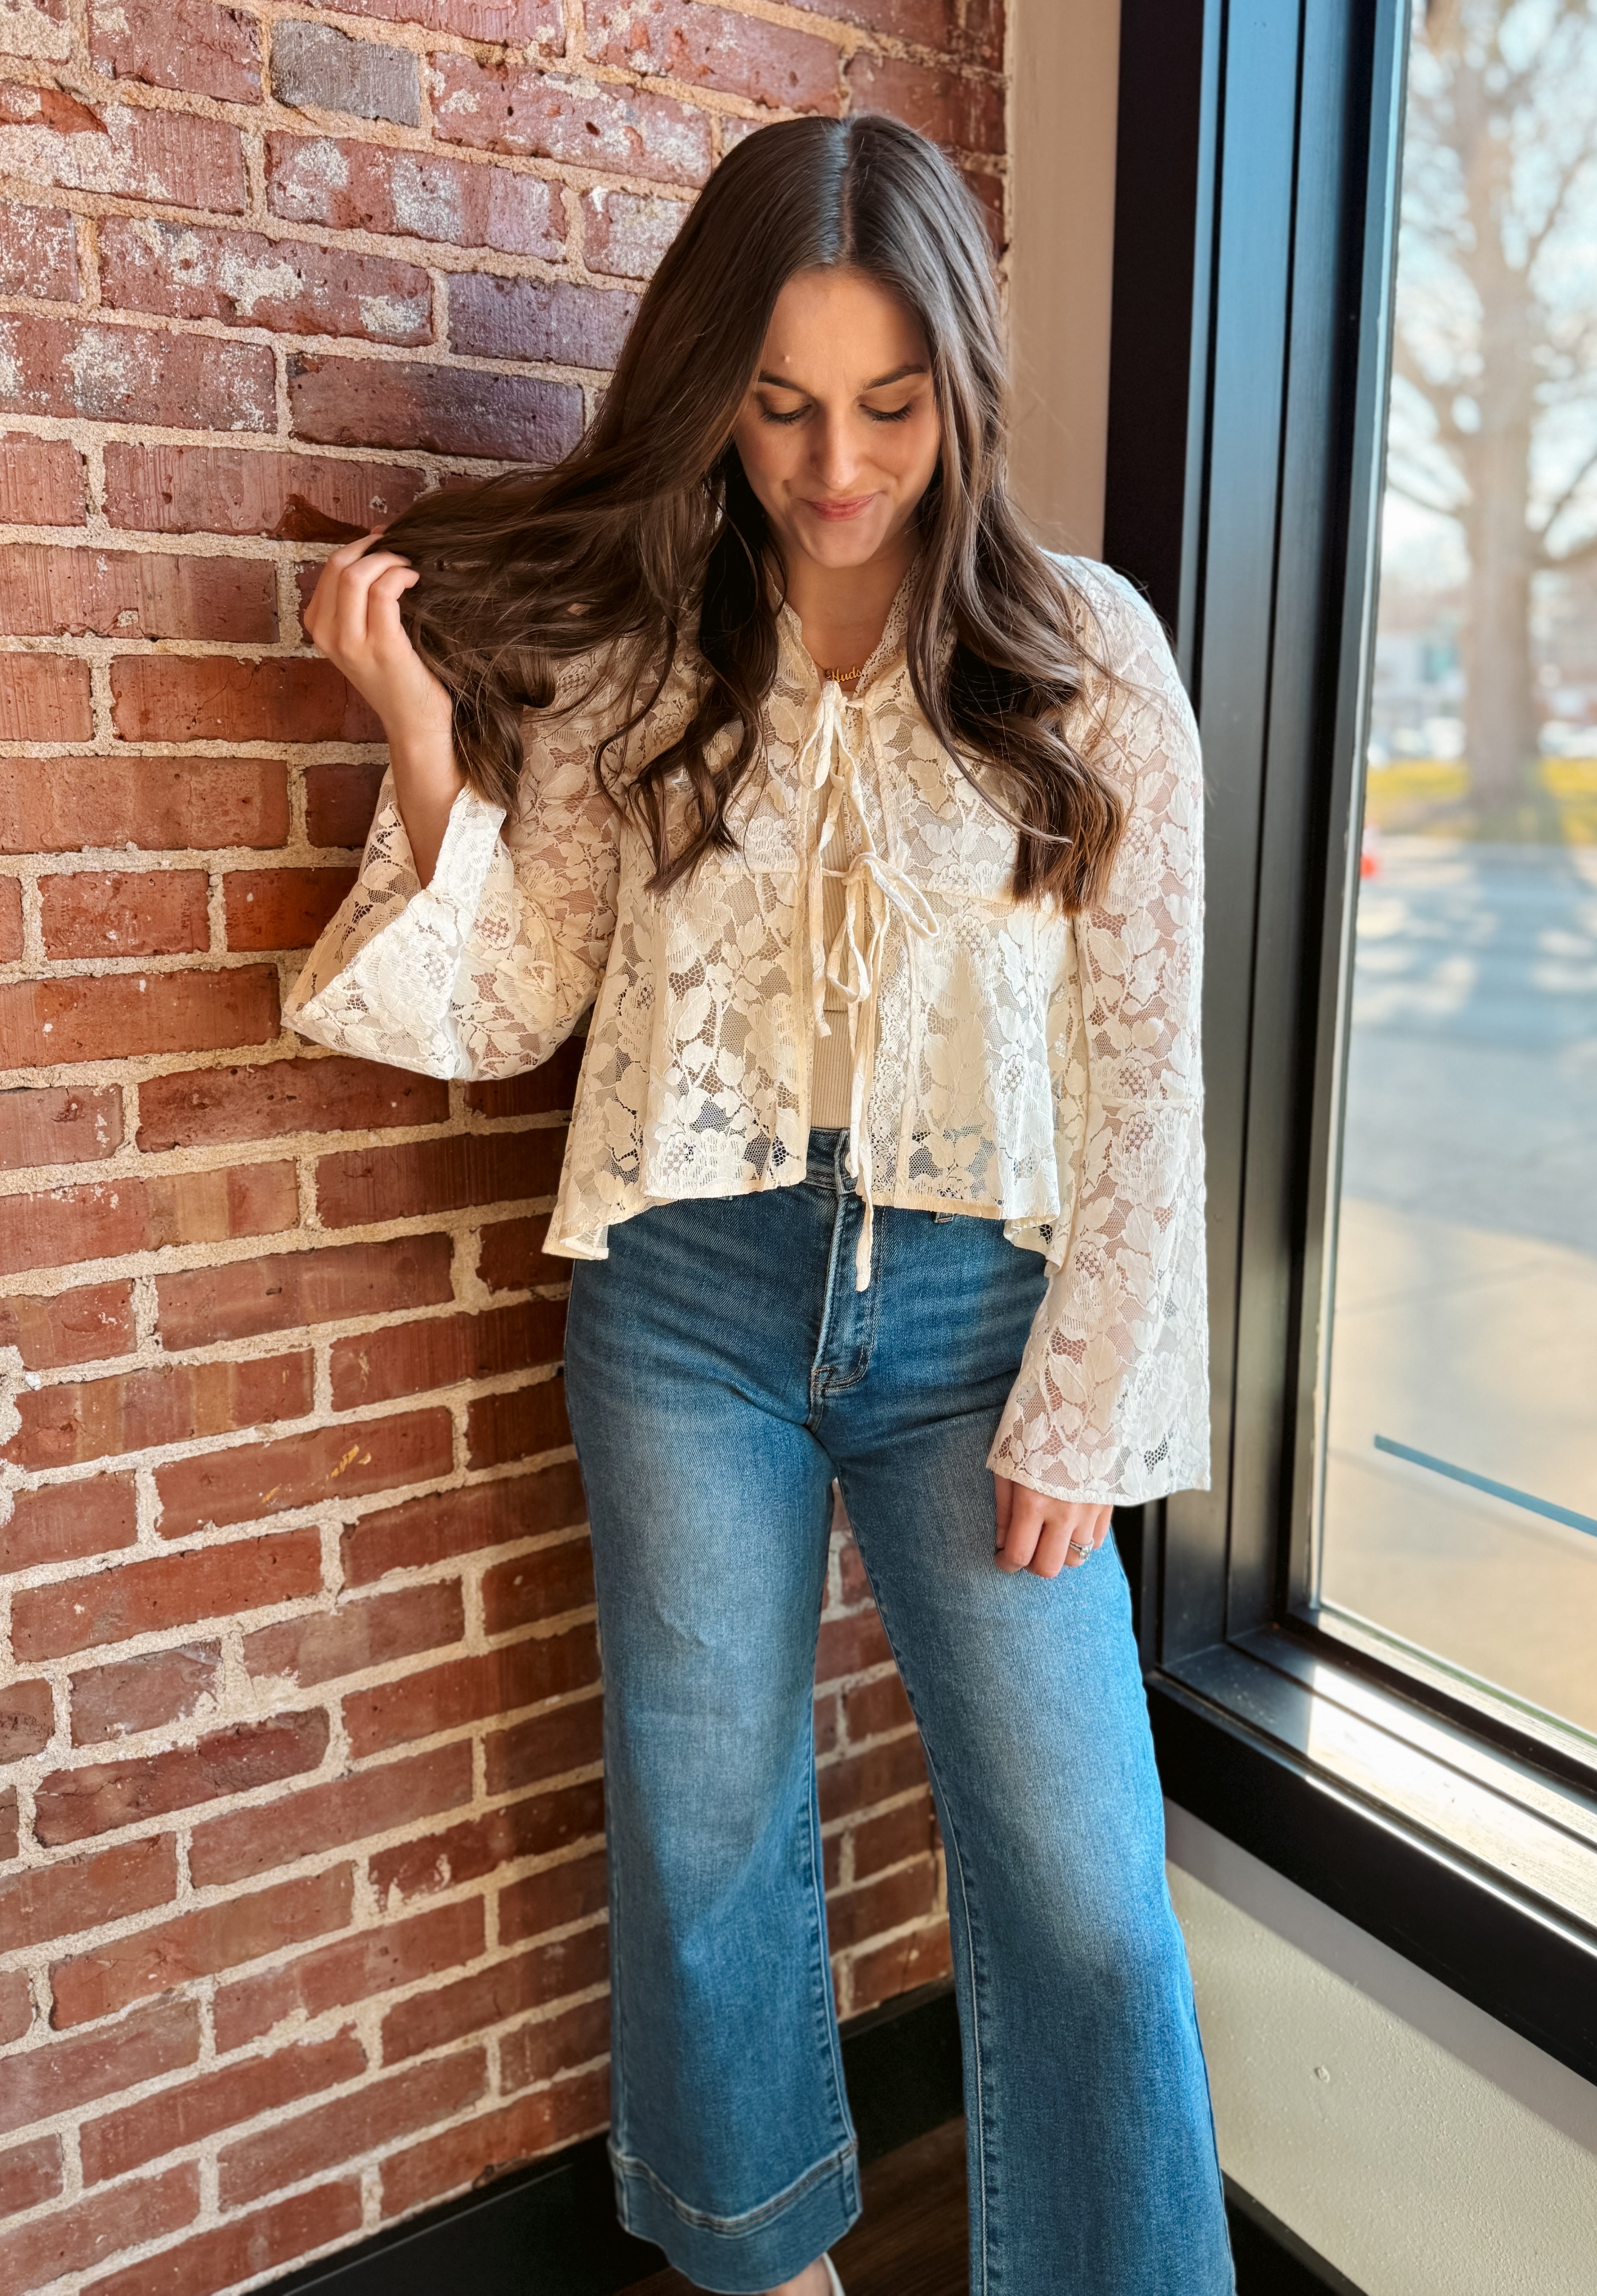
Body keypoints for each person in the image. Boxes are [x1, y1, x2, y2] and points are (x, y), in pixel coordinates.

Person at [288, 110, 1232, 2296]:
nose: (835, 463)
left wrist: (1087, 1401)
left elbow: (1143, 1059)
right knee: (704, 1846)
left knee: (1087, 1897)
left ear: (963, 394)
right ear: (713, 386)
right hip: (684, 1303)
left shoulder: (1087, 657)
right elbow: (524, 1000)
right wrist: (428, 741)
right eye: (784, 404)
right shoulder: (643, 656)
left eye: (889, 407)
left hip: (979, 1328)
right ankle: (756, 2267)